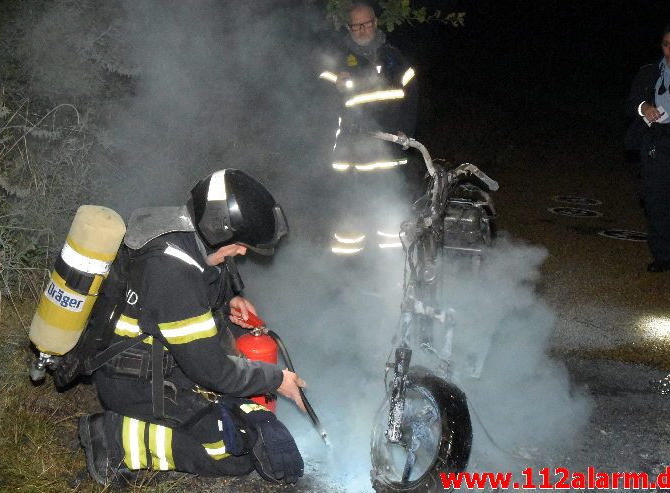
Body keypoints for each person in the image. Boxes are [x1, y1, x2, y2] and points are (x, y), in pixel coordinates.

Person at [78, 169, 307, 486]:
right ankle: (115, 439)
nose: (242, 253)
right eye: (240, 245)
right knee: (237, 452)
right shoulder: (172, 271)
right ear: (217, 229)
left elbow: (205, 279)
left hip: (164, 366)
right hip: (136, 383)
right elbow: (213, 372)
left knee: (244, 422)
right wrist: (276, 379)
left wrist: (229, 301)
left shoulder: (186, 235)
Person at [319, 2, 418, 256]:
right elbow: (317, 99)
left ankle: (392, 274)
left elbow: (412, 97)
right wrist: (334, 86)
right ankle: (346, 278)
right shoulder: (339, 59)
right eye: (356, 26)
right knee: (348, 224)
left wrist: (404, 132)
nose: (362, 30)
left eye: (366, 24)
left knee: (390, 220)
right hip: (350, 158)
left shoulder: (394, 58)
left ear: (375, 23)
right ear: (349, 28)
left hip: (389, 157)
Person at [627, 21, 670, 280]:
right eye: (666, 44)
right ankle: (662, 256)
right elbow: (631, 102)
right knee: (656, 201)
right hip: (655, 141)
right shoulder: (650, 71)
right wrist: (644, 107)